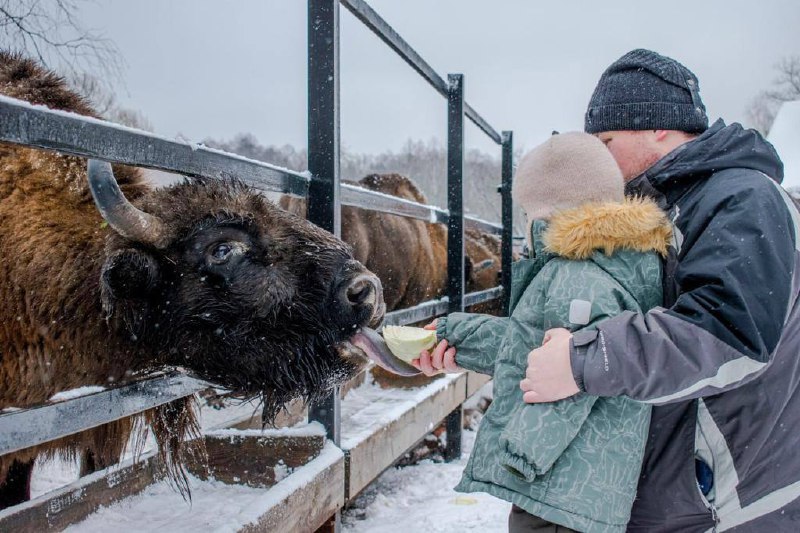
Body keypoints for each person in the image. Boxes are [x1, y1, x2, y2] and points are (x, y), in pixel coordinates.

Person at [518, 49, 800, 531]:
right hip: (685, 495)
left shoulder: (740, 197)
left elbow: (730, 334)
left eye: (606, 140)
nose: (600, 157)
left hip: (728, 502)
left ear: (658, 127)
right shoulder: (674, 202)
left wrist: (586, 360)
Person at [414, 131, 672, 532]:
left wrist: (524, 452)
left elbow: (570, 380)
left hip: (557, 485)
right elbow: (534, 346)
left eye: (528, 211)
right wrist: (458, 336)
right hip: (577, 482)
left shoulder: (579, 276)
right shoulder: (606, 263)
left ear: (550, 210)